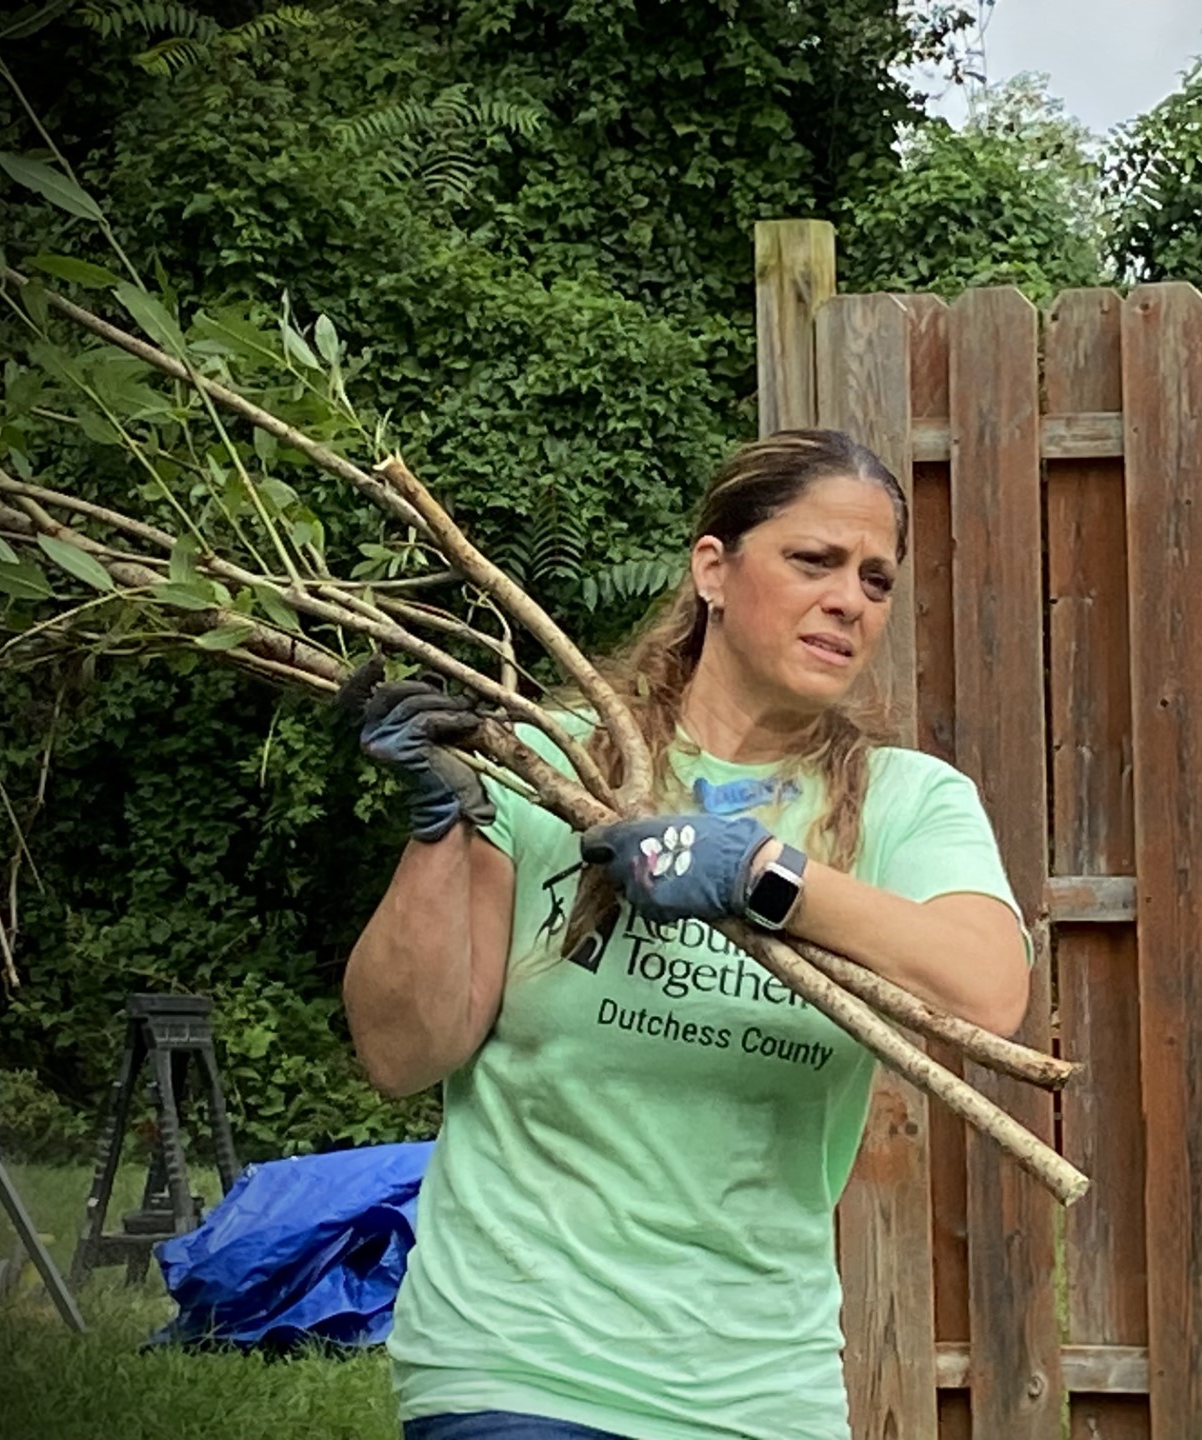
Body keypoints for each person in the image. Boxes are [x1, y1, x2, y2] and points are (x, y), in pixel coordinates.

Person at [342, 428, 1032, 1440]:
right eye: (814, 561)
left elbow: (986, 993)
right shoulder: (552, 768)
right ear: (713, 566)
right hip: (522, 1361)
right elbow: (404, 1051)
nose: (850, 599)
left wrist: (761, 874)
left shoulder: (907, 805)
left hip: (764, 1387)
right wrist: (445, 829)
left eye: (877, 580)